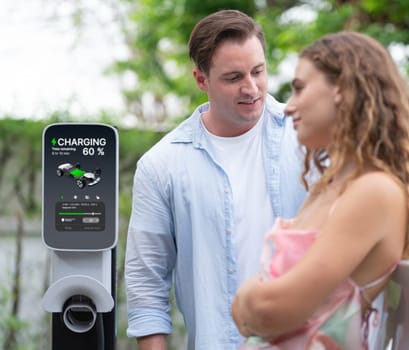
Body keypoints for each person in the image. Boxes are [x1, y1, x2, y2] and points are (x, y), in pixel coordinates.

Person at [232, 31, 409, 349]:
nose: (288, 107)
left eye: (300, 89)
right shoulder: (328, 186)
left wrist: (248, 298)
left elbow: (272, 308)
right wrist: (256, 309)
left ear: (342, 90)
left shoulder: (374, 191)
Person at [124, 9, 307, 350]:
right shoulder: (162, 165)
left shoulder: (307, 136)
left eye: (258, 71)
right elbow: (146, 287)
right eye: (233, 77)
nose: (251, 88)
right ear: (201, 80)